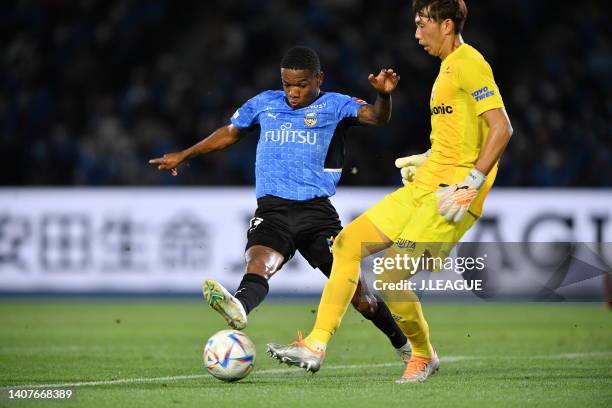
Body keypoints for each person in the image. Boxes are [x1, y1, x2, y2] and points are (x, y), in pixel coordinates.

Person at [267, 0, 513, 384]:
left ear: (446, 25)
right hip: (428, 184)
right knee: (347, 243)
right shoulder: (448, 68)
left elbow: (501, 129)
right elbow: (464, 135)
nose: (416, 34)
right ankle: (315, 344)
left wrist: (473, 181)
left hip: (454, 194)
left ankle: (422, 354)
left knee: (392, 274)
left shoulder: (470, 63)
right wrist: (429, 157)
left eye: (421, 24)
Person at [149, 46, 413, 360]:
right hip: (272, 210)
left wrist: (383, 96)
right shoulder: (265, 103)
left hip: (317, 214)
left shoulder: (336, 105)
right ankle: (240, 308)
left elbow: (376, 117)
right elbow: (230, 133)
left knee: (363, 298)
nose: (292, 92)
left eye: (301, 85)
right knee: (259, 263)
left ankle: (406, 346)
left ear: (318, 79)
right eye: (287, 84)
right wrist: (185, 154)